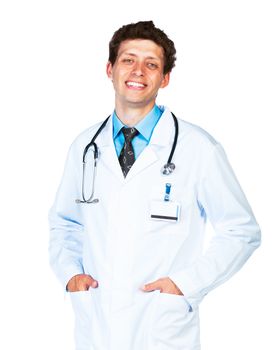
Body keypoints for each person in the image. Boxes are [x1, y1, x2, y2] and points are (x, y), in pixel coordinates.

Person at [49, 20, 261, 350]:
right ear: (110, 69)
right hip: (97, 323)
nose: (138, 71)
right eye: (128, 59)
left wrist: (185, 284)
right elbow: (65, 223)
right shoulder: (84, 147)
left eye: (151, 64)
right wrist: (71, 276)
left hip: (162, 327)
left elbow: (241, 230)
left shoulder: (198, 149)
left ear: (164, 78)